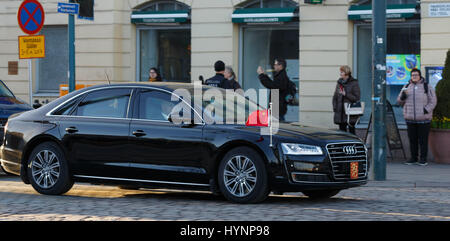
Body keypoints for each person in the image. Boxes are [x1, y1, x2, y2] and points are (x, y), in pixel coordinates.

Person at [397, 68, 437, 166]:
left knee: (423, 140)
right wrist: (402, 97)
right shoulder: (406, 86)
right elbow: (399, 102)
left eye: (416, 75)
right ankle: (413, 158)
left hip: (423, 119)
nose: (414, 77)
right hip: (410, 119)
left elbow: (433, 101)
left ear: (420, 76)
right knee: (412, 140)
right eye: (412, 75)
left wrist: (425, 110)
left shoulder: (427, 86)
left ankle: (423, 159)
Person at [332, 65, 361, 135]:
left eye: (342, 72)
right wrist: (335, 108)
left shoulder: (354, 83)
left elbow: (357, 98)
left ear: (346, 73)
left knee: (352, 133)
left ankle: (353, 145)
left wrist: (346, 94)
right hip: (340, 113)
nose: (340, 73)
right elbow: (335, 97)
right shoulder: (339, 83)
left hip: (350, 113)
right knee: (342, 133)